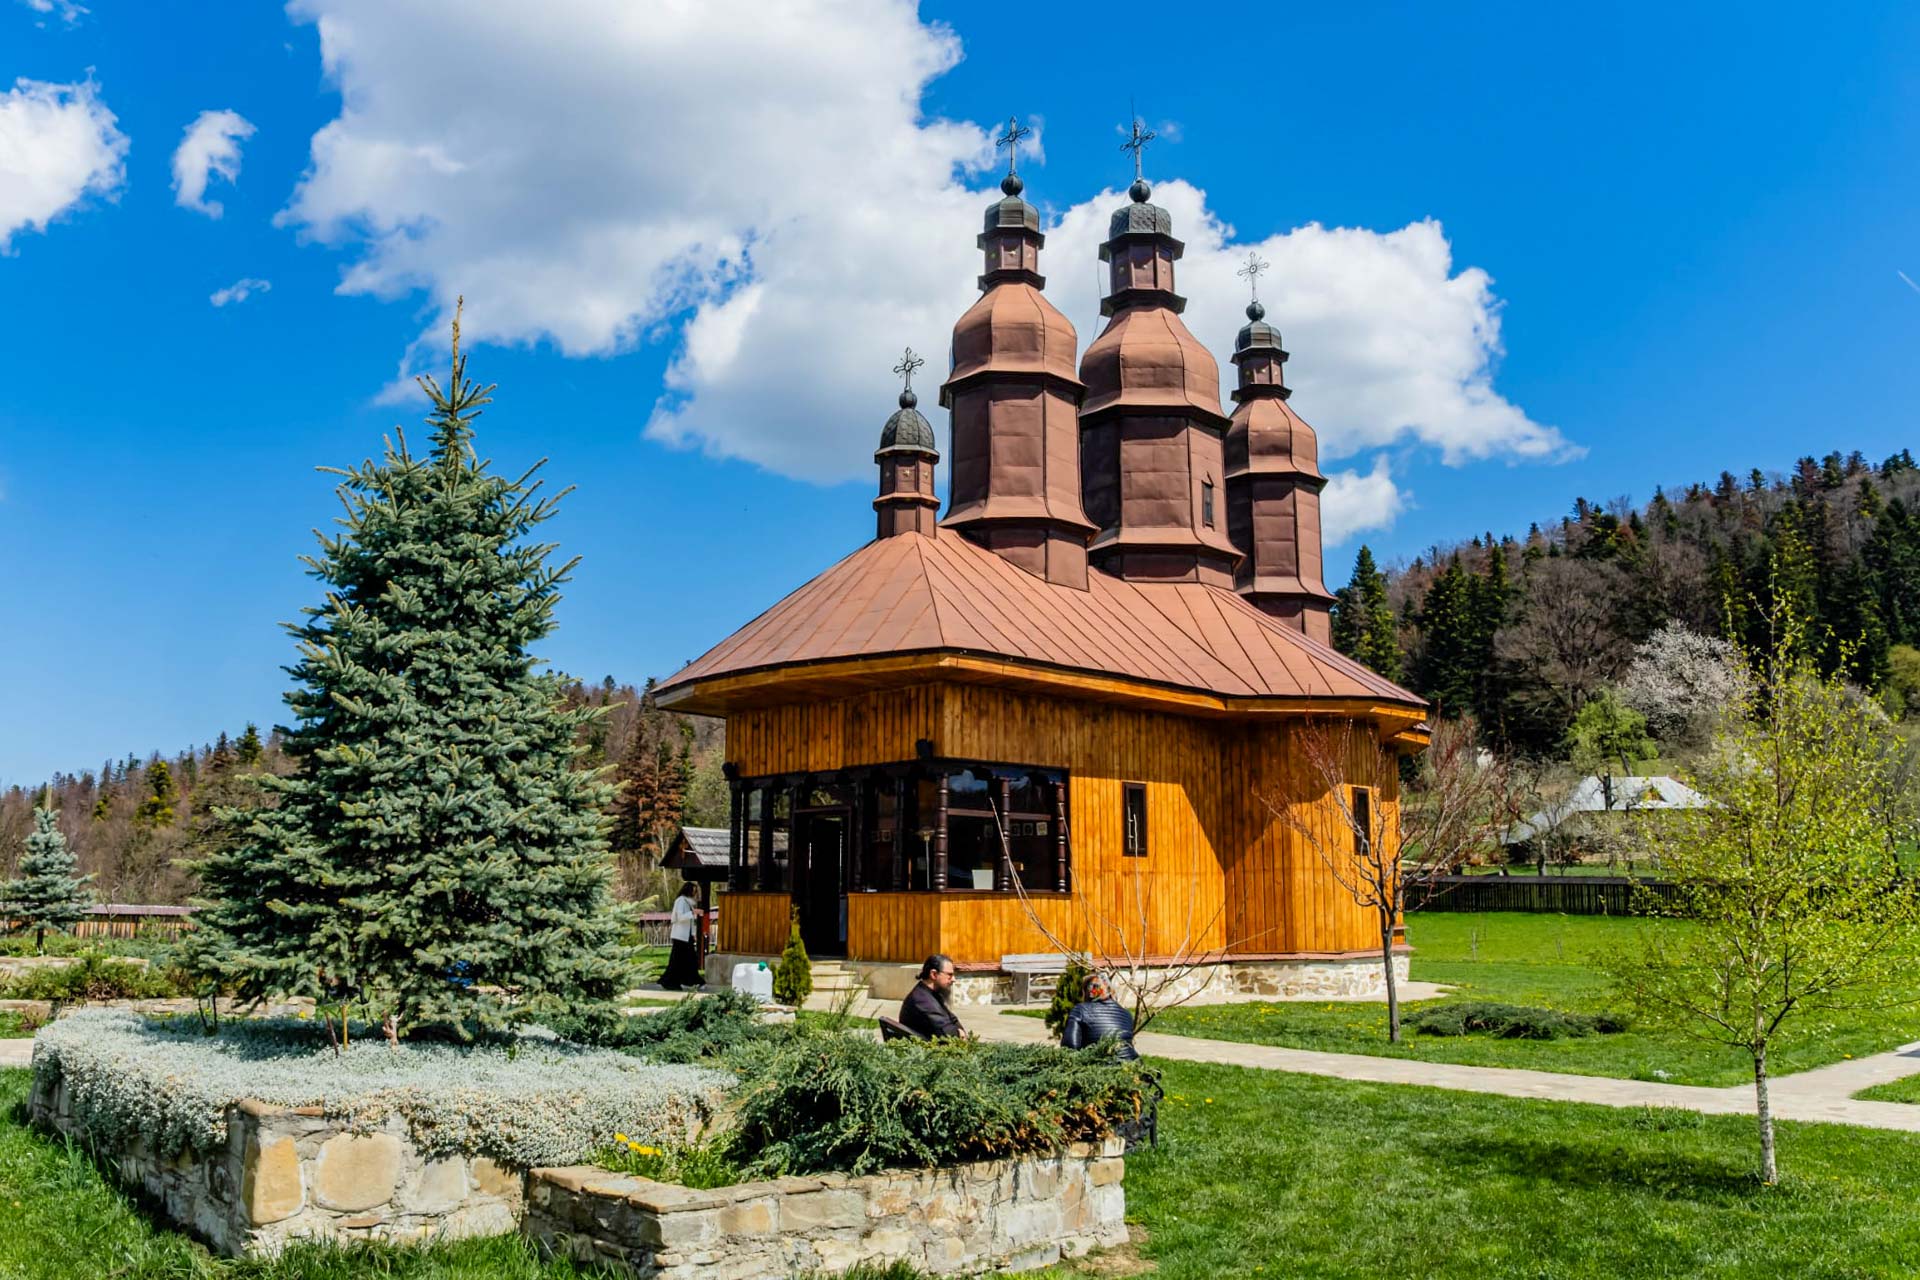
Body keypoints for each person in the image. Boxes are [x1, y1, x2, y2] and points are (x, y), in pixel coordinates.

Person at [1060, 974, 1138, 1061]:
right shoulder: (1127, 1014)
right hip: (1130, 1064)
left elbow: (1069, 1048)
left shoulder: (1080, 1010)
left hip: (1099, 1065)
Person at [897, 953, 966, 1038]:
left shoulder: (930, 994)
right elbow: (948, 1034)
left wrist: (960, 1032)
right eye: (949, 975)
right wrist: (959, 1033)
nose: (953, 979)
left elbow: (953, 1019)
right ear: (934, 974)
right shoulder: (922, 1001)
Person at [659, 882, 704, 990]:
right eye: (693, 891)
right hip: (680, 936)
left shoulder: (688, 903)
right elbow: (679, 917)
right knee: (678, 960)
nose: (695, 893)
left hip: (686, 936)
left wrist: (693, 934)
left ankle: (690, 980)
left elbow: (691, 922)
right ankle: (671, 981)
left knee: (689, 959)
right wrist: (693, 913)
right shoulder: (681, 901)